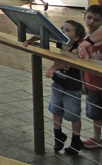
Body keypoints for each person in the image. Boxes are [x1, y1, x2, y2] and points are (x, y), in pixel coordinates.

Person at [24, 20, 86, 154]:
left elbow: (68, 61)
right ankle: (58, 135)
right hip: (58, 84)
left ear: (76, 37)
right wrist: (31, 40)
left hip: (72, 88)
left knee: (73, 114)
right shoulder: (59, 42)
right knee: (55, 109)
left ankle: (76, 139)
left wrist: (54, 67)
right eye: (62, 28)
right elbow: (44, 35)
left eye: (67, 30)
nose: (62, 31)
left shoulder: (76, 48)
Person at [76, 5, 102, 149]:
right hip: (92, 84)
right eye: (89, 17)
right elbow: (81, 65)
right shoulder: (82, 40)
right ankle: (97, 138)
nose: (91, 22)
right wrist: (83, 82)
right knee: (95, 113)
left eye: (97, 20)